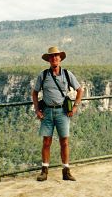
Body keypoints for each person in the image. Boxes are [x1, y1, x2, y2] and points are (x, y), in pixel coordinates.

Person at [32, 46, 83, 181]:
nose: (54, 58)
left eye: (57, 56)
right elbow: (34, 92)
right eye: (52, 56)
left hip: (62, 112)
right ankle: (44, 171)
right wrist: (37, 109)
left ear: (60, 58)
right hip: (47, 111)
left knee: (64, 142)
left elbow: (80, 90)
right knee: (46, 141)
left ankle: (66, 171)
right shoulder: (43, 75)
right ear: (48, 59)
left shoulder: (67, 74)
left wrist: (75, 107)